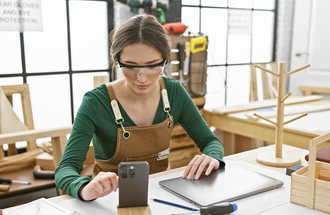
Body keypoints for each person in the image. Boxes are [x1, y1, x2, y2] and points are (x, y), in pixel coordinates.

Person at [55, 14, 224, 201]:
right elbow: (66, 168)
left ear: (165, 59)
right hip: (108, 202)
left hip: (161, 197)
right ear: (117, 60)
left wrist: (212, 157)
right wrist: (84, 188)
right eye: (130, 66)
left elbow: (210, 142)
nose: (141, 78)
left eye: (152, 66)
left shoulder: (174, 92)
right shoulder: (95, 102)